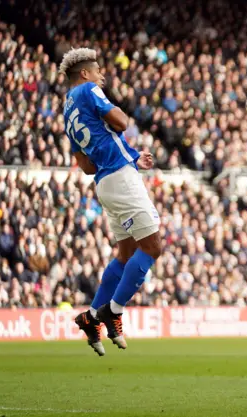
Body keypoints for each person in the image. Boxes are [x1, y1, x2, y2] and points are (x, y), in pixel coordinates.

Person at [60, 48, 162, 356]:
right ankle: (113, 310)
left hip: (105, 182)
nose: (102, 76)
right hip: (120, 179)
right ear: (85, 74)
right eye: (98, 71)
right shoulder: (89, 90)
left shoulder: (67, 111)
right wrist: (120, 120)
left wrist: (130, 155)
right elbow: (120, 121)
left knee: (126, 252)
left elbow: (88, 165)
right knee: (153, 247)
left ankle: (91, 317)